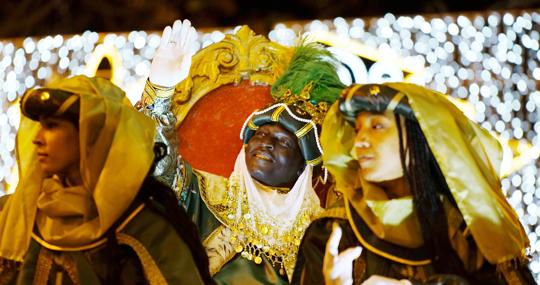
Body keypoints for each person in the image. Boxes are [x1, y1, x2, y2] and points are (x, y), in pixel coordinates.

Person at [142, 20, 346, 283]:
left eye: (283, 142)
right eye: (259, 135)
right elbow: (158, 165)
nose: (265, 143)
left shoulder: (323, 230)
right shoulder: (204, 195)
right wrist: (160, 90)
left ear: (303, 166)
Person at [293, 83, 536, 285]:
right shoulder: (334, 232)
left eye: (377, 126)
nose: (361, 142)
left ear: (419, 137)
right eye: (357, 130)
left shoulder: (474, 234)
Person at [0, 75, 213, 284]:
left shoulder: (147, 230)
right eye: (40, 126)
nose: (37, 139)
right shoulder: (17, 218)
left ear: (92, 135)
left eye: (52, 126)